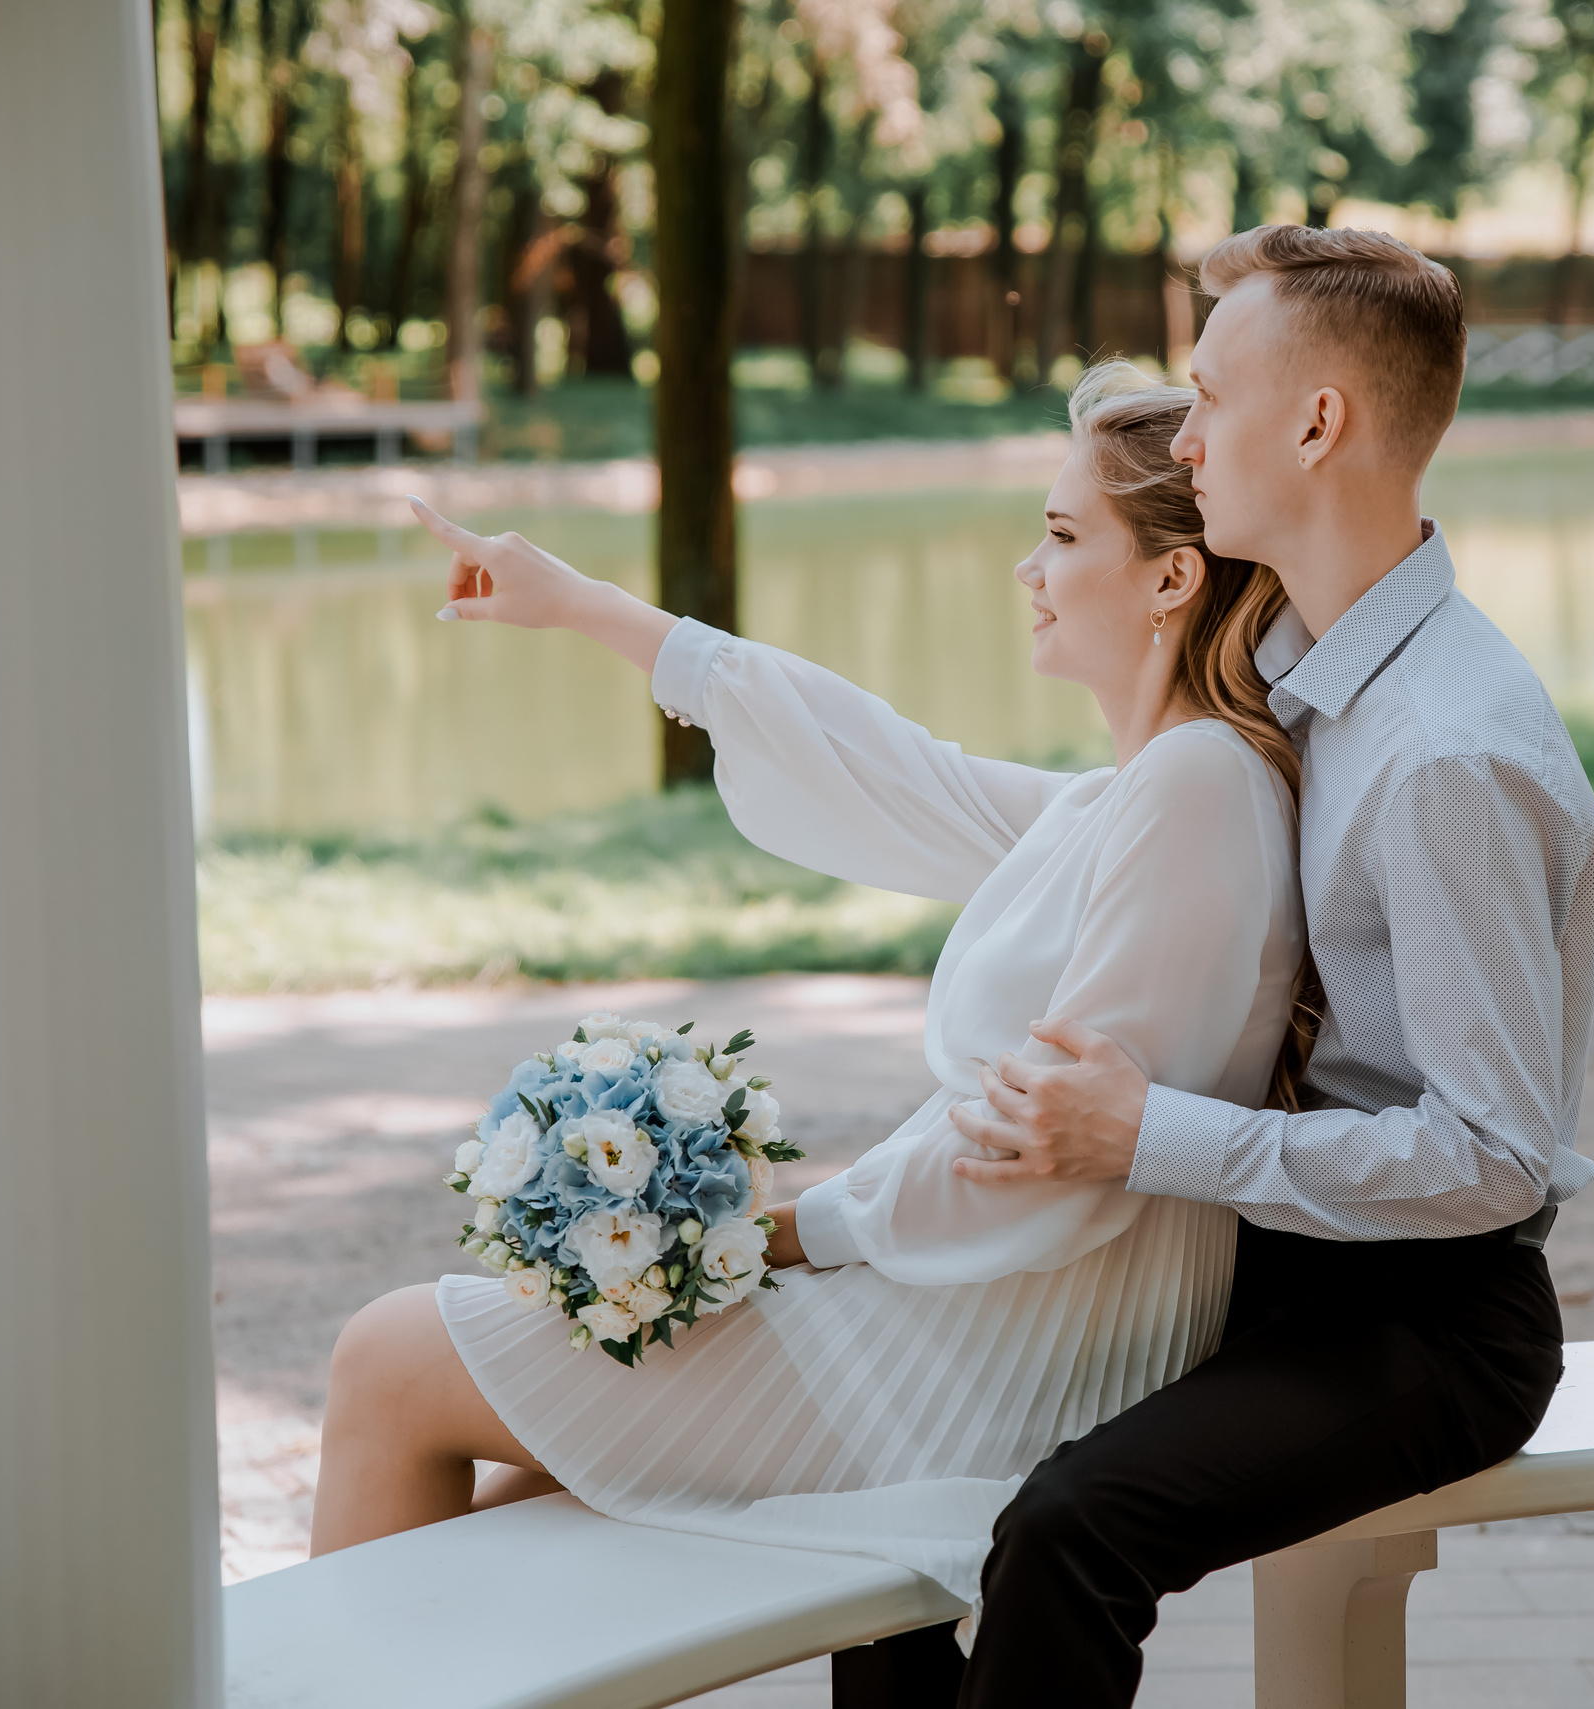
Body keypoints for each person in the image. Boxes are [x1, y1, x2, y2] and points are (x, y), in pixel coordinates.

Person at [305, 362, 1313, 1646]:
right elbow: (898, 772)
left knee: (391, 1358)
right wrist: (592, 609)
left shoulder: (1196, 786)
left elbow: (1062, 1155)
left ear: (1174, 579)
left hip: (999, 1349)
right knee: (524, 1475)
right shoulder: (1138, 789)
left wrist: (790, 1228)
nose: (1028, 569)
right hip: (977, 1303)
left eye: (1061, 536)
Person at [858, 225, 1594, 1706]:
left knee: (1073, 1529)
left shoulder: (1446, 750)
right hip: (1264, 1261)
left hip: (1423, 1317)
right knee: (892, 1460)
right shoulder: (1304, 672)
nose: (1187, 434)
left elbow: (1498, 1155)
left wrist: (1149, 1135)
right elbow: (1101, 815)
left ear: (1318, 423)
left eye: (1210, 397)